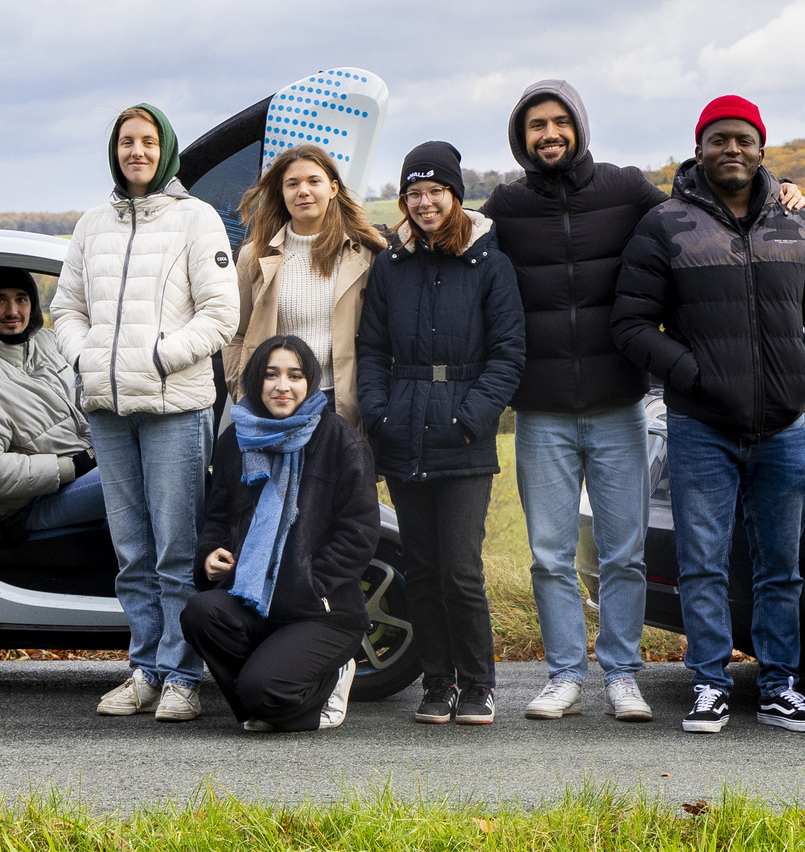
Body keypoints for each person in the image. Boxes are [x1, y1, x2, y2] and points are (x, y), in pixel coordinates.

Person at [480, 80, 805, 723]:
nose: (549, 134)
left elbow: (708, 212)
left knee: (622, 551)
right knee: (549, 553)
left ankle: (623, 673)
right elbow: (458, 241)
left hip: (617, 403)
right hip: (542, 410)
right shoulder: (507, 204)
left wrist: (781, 190)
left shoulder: (626, 189)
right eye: (535, 126)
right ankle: (565, 675)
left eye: (559, 122)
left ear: (578, 126)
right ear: (521, 139)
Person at [612, 96, 805, 734]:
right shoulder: (666, 224)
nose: (732, 150)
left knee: (780, 567)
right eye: (719, 140)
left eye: (743, 139)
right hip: (700, 425)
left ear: (762, 148)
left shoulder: (799, 222)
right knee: (703, 563)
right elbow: (632, 324)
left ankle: (780, 688)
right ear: (700, 149)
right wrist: (692, 375)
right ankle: (710, 684)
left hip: (783, 425)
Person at [51, 104, 240, 722]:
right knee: (131, 550)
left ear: (167, 150)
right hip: (108, 410)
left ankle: (184, 676)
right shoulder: (92, 224)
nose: (137, 151)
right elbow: (66, 307)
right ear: (115, 151)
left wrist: (158, 358)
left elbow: (219, 315)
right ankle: (145, 669)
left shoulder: (196, 219)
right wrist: (83, 356)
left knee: (176, 550)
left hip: (172, 408)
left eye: (148, 141)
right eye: (127, 141)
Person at [356, 142, 526, 725]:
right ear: (404, 200)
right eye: (414, 193)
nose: (425, 202)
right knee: (422, 568)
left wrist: (470, 418)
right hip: (402, 430)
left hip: (463, 438)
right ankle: (437, 681)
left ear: (456, 196)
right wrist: (378, 414)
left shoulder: (490, 265)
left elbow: (509, 355)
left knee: (459, 568)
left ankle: (478, 683)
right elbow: (372, 349)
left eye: (435, 192)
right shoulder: (390, 265)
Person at [187, 336, 380, 732]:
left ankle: (320, 682)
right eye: (272, 375)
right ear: (257, 379)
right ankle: (266, 698)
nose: (282, 386)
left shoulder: (341, 441)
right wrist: (209, 553)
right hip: (255, 600)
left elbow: (359, 530)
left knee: (264, 692)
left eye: (295, 376)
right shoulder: (235, 440)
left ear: (309, 382)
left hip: (322, 611)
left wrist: (313, 584)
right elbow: (218, 515)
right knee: (199, 613)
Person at [227, 145, 385, 425]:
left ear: (333, 189)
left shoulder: (366, 253)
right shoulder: (254, 257)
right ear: (282, 192)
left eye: (314, 181)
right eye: (292, 184)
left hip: (340, 404)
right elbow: (234, 335)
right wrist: (244, 391)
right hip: (275, 404)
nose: (303, 191)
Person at [0, 268, 105, 532]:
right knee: (141, 475)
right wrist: (72, 466)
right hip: (31, 504)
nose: (12, 312)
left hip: (89, 470)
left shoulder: (49, 342)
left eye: (21, 299)